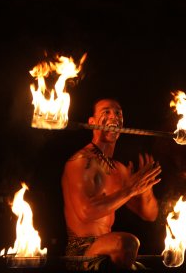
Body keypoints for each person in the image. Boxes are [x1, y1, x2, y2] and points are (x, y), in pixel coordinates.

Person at [61, 98, 162, 270]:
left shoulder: (119, 170)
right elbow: (86, 212)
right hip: (83, 250)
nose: (113, 116)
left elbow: (149, 214)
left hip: (110, 249)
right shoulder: (81, 161)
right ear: (92, 123)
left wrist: (145, 188)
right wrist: (130, 189)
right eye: (106, 112)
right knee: (127, 243)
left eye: (118, 113)